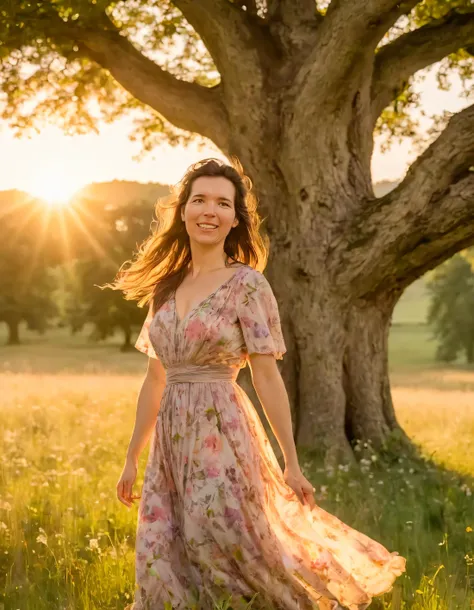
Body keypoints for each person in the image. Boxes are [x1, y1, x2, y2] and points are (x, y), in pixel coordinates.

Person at [113, 158, 406, 610]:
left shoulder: (247, 285)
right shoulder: (164, 289)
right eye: (200, 200)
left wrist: (291, 461)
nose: (209, 210)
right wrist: (132, 457)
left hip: (221, 431)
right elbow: (155, 380)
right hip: (170, 444)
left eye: (222, 203)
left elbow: (266, 375)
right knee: (164, 546)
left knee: (222, 537)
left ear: (234, 218)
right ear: (183, 211)